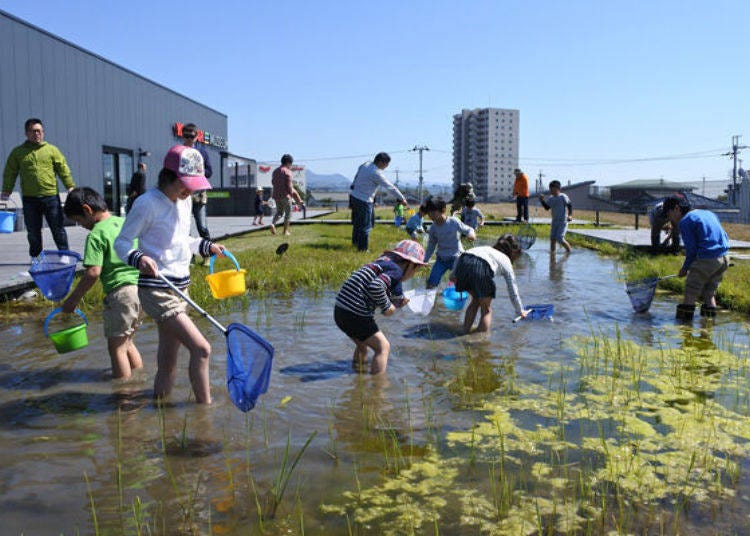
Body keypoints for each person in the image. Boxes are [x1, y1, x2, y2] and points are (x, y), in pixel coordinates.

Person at [114, 145, 226, 404]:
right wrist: (139, 258)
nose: (190, 191)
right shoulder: (146, 204)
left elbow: (181, 240)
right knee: (202, 349)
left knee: (168, 360)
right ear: (169, 177)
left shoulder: (184, 202)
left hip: (180, 288)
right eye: (185, 184)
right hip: (156, 289)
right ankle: (205, 415)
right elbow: (122, 242)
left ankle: (159, 410)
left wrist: (206, 246)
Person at [61, 187, 143, 379]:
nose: (80, 225)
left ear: (87, 210)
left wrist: (72, 300)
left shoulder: (96, 235)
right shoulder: (124, 223)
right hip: (142, 290)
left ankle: (124, 396)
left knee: (116, 348)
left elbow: (92, 272)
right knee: (127, 342)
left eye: (79, 220)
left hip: (121, 294)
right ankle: (139, 379)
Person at [334, 240, 427, 374]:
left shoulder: (385, 263)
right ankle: (377, 390)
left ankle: (357, 376)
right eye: (416, 270)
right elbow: (376, 287)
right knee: (383, 347)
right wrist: (388, 307)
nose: (413, 275)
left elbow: (389, 291)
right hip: (355, 313)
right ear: (411, 264)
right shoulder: (396, 271)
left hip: (340, 310)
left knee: (362, 345)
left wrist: (397, 302)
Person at [2, 118, 76, 259]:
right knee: (33, 232)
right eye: (33, 131)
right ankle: (36, 258)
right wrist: (6, 190)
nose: (37, 134)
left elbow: (63, 169)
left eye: (39, 131)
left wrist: (70, 186)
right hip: (30, 198)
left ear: (43, 132)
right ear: (26, 133)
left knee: (57, 228)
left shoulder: (52, 150)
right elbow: (10, 172)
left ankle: (64, 254)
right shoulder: (18, 152)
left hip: (51, 197)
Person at [663, 196, 730, 320]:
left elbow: (691, 250)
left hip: (707, 259)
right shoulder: (707, 213)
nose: (669, 218)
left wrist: (685, 268)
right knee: (709, 293)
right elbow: (724, 234)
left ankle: (685, 330)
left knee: (690, 291)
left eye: (668, 214)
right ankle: (708, 328)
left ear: (676, 209)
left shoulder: (685, 221)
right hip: (724, 258)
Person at [451, 234, 528, 333]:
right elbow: (513, 290)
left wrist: (453, 274)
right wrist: (520, 310)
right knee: (486, 310)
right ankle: (480, 341)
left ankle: (464, 332)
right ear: (513, 253)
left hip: (463, 263)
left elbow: (463, 254)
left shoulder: (485, 248)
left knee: (475, 301)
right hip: (481, 267)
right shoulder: (506, 260)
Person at [350, 152, 408, 251]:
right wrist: (402, 198)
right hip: (364, 200)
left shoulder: (365, 165)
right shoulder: (376, 173)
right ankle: (363, 249)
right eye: (387, 164)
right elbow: (390, 187)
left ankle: (355, 243)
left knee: (357, 224)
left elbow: (356, 177)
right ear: (381, 162)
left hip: (354, 197)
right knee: (366, 225)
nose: (387, 166)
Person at [423, 196, 476, 289]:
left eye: (433, 211)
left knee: (459, 282)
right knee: (430, 284)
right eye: (428, 212)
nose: (430, 214)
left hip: (456, 257)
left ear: (443, 210)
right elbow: (431, 246)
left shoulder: (453, 221)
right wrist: (425, 260)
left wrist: (471, 234)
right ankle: (431, 301)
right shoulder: (433, 228)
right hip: (441, 260)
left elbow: (468, 229)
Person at [181, 123, 213, 240]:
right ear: (182, 136)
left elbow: (210, 172)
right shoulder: (179, 152)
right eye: (186, 136)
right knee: (185, 228)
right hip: (183, 194)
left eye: (192, 136)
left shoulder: (202, 152)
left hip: (198, 194)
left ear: (196, 137)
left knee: (202, 226)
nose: (189, 139)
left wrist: (199, 171)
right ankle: (189, 256)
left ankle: (208, 254)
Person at [270, 154, 304, 236]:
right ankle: (285, 231)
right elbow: (289, 186)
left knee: (279, 212)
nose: (291, 166)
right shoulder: (287, 171)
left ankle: (273, 224)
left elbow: (273, 182)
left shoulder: (275, 171)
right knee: (288, 213)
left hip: (276, 195)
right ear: (288, 163)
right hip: (285, 195)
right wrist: (291, 196)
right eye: (291, 164)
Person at [538, 180, 573, 253]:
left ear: (557, 189)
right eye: (550, 188)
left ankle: (569, 251)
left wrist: (570, 215)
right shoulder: (551, 198)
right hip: (554, 221)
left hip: (562, 221)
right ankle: (552, 254)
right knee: (552, 239)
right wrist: (542, 200)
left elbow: (569, 205)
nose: (550, 190)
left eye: (552, 189)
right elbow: (547, 208)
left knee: (559, 238)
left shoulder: (563, 197)